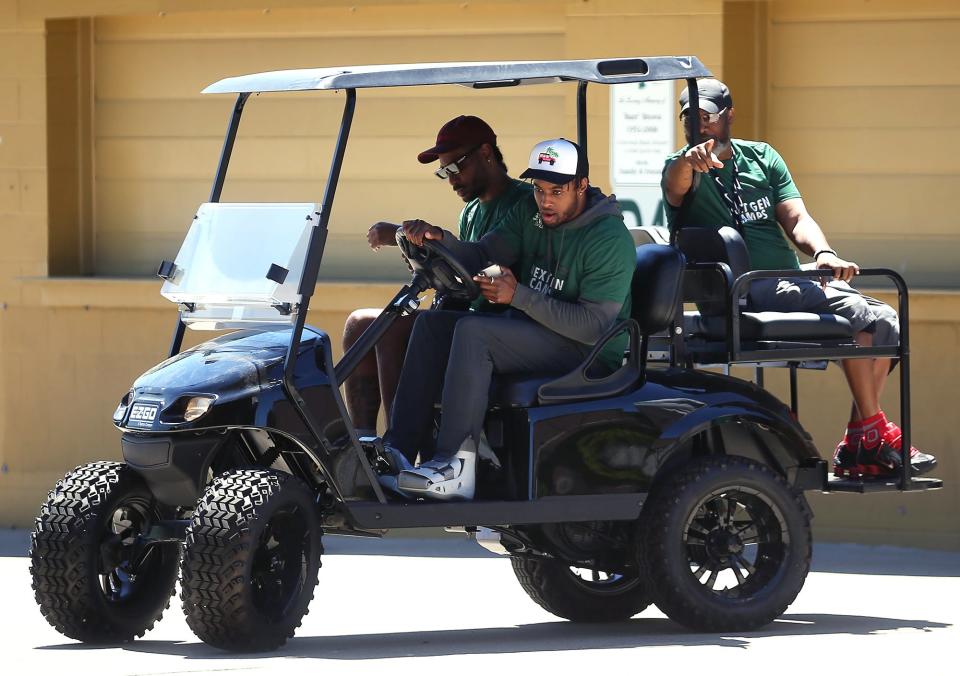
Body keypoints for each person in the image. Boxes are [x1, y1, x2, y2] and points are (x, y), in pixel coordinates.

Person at [661, 78, 936, 479]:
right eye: (690, 120)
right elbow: (675, 183)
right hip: (742, 288)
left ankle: (861, 435)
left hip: (785, 278)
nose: (700, 128)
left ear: (729, 116)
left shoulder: (762, 157)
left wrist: (823, 253)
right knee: (858, 312)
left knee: (885, 322)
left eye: (707, 118)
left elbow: (795, 217)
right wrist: (689, 160)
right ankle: (871, 435)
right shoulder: (681, 167)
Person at [380, 138, 636, 500]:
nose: (546, 201)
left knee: (475, 333)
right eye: (539, 189)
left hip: (587, 351)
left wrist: (520, 296)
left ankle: (456, 464)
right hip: (539, 330)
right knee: (432, 325)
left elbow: (594, 327)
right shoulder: (531, 216)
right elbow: (484, 253)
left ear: (581, 185)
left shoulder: (608, 238)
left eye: (557, 190)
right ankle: (399, 450)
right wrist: (445, 241)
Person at [342, 116, 536, 435]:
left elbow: (487, 260)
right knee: (361, 323)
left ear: (486, 153)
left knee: (390, 330)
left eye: (456, 167)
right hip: (466, 315)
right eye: (444, 172)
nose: (452, 180)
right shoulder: (471, 211)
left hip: (503, 324)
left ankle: (398, 445)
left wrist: (436, 242)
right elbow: (462, 268)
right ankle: (361, 442)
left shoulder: (524, 204)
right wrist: (419, 250)